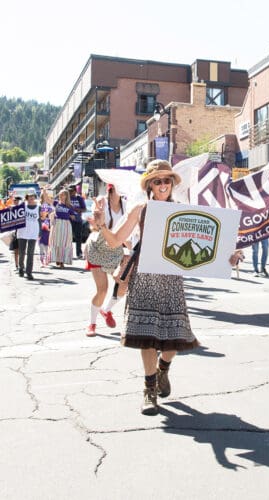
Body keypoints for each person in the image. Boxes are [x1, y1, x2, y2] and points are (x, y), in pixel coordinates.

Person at [91, 160, 199, 415]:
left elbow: (203, 246)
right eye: (157, 180)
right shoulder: (140, 209)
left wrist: (228, 255)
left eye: (166, 180)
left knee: (173, 340)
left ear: (172, 184)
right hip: (144, 277)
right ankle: (149, 390)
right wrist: (101, 224)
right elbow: (117, 240)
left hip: (171, 280)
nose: (162, 185)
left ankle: (163, 369)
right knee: (147, 337)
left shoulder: (182, 211)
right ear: (150, 184)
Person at [85, 184, 128, 337]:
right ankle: (92, 323)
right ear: (111, 188)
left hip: (116, 249)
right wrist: (98, 220)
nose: (122, 190)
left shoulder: (127, 204)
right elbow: (95, 228)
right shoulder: (101, 202)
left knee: (124, 284)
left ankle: (106, 310)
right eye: (118, 187)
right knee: (102, 290)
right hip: (98, 248)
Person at [16, 189, 40, 280]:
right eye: (29, 196)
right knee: (22, 253)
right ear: (26, 197)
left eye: (32, 196)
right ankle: (21, 268)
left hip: (33, 232)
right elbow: (14, 214)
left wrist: (40, 231)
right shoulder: (22, 206)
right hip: (22, 232)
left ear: (34, 197)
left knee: (30, 253)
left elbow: (40, 220)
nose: (31, 198)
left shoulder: (38, 207)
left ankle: (29, 272)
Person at [49, 189, 76, 268]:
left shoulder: (70, 206)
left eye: (63, 195)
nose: (61, 196)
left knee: (64, 242)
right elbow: (47, 199)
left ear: (66, 196)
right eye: (60, 194)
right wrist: (44, 191)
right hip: (57, 224)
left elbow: (73, 216)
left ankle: (62, 261)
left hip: (66, 224)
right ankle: (57, 259)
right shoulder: (56, 203)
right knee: (56, 241)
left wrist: (72, 216)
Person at [68, 184, 87, 259]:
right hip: (68, 220)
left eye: (71, 191)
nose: (70, 192)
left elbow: (84, 209)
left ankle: (79, 253)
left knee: (78, 237)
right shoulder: (67, 198)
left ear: (75, 191)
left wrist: (77, 209)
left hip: (78, 220)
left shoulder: (79, 198)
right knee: (68, 237)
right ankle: (68, 253)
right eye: (69, 191)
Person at [39, 188, 54, 267]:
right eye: (44, 197)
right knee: (41, 245)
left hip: (48, 228)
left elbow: (53, 213)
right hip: (40, 228)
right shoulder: (39, 206)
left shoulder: (50, 206)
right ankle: (42, 261)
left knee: (47, 246)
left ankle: (47, 259)